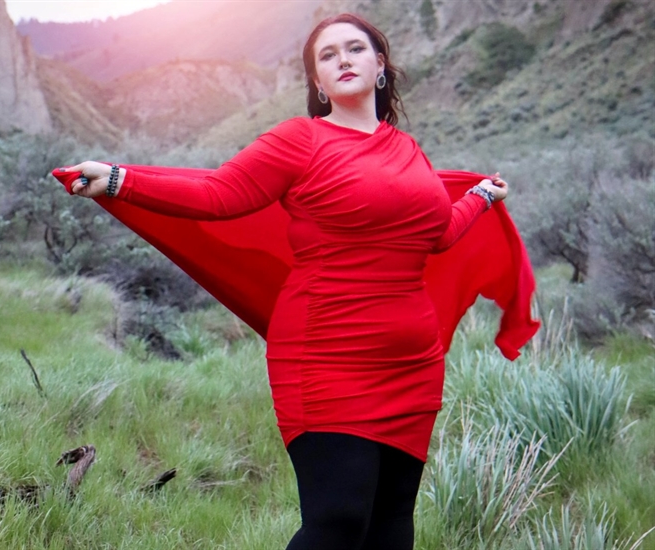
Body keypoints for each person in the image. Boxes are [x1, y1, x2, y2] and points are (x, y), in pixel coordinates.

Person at [59, 13, 511, 550]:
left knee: (391, 526)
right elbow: (217, 195)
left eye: (355, 48)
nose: (343, 59)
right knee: (337, 521)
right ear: (317, 83)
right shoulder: (301, 140)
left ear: (380, 65)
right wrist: (118, 180)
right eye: (327, 55)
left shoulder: (408, 151)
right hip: (326, 355)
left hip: (412, 365)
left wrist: (480, 197)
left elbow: (435, 235)